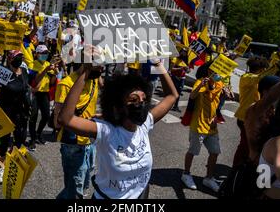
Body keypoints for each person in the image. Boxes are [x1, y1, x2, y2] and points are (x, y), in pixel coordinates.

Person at [57, 57, 179, 199]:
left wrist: (158, 64)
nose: (140, 103)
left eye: (144, 99)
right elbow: (65, 119)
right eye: (133, 100)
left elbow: (172, 95)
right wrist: (86, 71)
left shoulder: (144, 124)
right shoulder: (106, 131)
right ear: (117, 107)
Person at [54, 59, 101, 199]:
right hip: (73, 145)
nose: (102, 70)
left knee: (85, 182)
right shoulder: (65, 85)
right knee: (74, 190)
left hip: (90, 141)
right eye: (98, 67)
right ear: (86, 65)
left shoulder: (94, 78)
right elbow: (57, 123)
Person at [0, 51, 32, 184]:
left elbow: (27, 89)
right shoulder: (4, 73)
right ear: (10, 59)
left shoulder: (24, 72)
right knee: (4, 141)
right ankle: (1, 167)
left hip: (21, 112)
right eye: (17, 58)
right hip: (6, 111)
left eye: (21, 57)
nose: (20, 60)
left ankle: (14, 166)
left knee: (19, 140)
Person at [181, 65, 224, 192]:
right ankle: (186, 174)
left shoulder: (219, 83)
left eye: (218, 70)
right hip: (198, 125)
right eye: (214, 70)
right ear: (208, 71)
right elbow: (193, 96)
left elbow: (216, 102)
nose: (217, 73)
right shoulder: (200, 82)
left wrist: (216, 116)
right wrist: (200, 86)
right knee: (193, 151)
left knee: (215, 152)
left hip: (212, 126)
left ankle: (209, 178)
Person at [232, 56, 274, 166]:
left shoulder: (257, 79)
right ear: (262, 69)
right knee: (245, 145)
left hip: (256, 117)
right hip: (245, 117)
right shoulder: (247, 77)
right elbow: (259, 78)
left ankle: (244, 166)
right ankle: (236, 169)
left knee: (251, 145)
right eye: (265, 69)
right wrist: (277, 66)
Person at [28, 44, 58, 150]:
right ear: (37, 54)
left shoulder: (48, 64)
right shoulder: (32, 64)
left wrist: (55, 73)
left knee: (46, 115)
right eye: (42, 53)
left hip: (44, 93)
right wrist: (45, 70)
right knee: (33, 117)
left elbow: (52, 82)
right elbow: (35, 80)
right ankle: (32, 139)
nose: (44, 55)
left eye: (46, 53)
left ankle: (38, 134)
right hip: (35, 93)